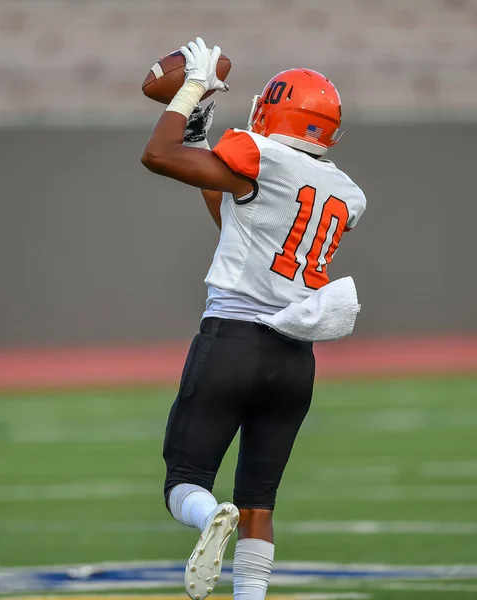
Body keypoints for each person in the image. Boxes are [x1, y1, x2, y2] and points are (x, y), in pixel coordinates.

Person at [141, 37, 366, 600]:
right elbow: (241, 217)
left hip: (233, 342)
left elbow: (157, 155)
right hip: (294, 359)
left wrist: (191, 89)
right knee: (260, 502)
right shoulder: (347, 193)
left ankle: (208, 514)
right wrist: (200, 137)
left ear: (273, 110)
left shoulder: (258, 152)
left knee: (183, 483)